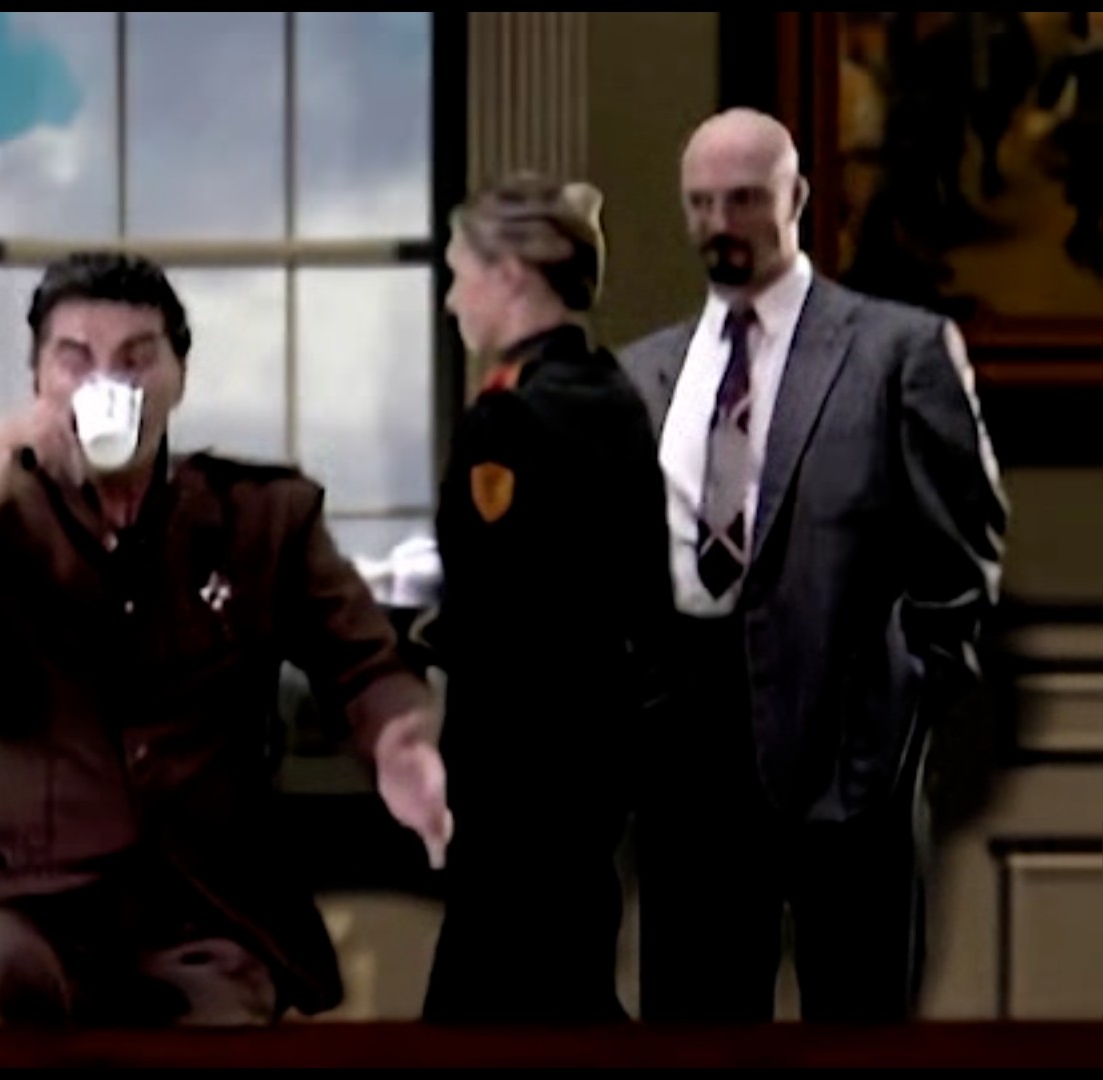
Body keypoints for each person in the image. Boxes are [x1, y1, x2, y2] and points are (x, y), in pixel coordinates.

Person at [0, 252, 450, 1027]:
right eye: (75, 361)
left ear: (178, 378)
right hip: (20, 893)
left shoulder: (262, 516)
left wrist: (400, 740)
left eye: (137, 360)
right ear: (39, 379)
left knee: (224, 1016)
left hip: (207, 908)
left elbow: (363, 664)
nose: (108, 382)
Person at [617, 108, 1009, 1024]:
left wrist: (908, 704)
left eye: (743, 200)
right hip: (685, 768)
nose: (720, 223)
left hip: (849, 752)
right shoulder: (642, 374)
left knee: (858, 1032)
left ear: (796, 197)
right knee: (693, 1035)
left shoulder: (897, 351)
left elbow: (964, 547)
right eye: (701, 203)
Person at [417, 172, 675, 1026]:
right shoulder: (614, 397)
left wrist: (426, 634)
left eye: (461, 274)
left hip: (516, 774)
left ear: (510, 275)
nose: (452, 300)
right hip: (596, 763)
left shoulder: (511, 419)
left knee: (498, 1010)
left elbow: (502, 614)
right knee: (564, 982)